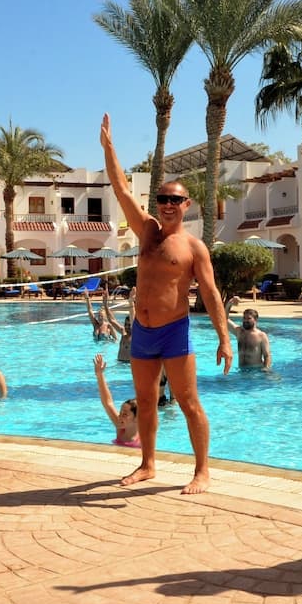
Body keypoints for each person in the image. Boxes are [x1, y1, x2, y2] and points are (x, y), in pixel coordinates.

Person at [101, 113, 232, 495]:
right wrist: (109, 147)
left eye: (175, 200)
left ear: (187, 204)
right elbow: (121, 188)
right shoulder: (146, 231)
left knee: (189, 402)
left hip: (174, 331)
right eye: (162, 199)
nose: (168, 205)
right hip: (142, 331)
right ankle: (147, 464)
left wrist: (224, 339)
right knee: (145, 400)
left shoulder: (194, 247)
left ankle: (202, 471)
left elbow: (210, 293)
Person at [93, 354, 139, 447]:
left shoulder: (144, 437)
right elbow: (108, 403)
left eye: (125, 414)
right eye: (120, 413)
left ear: (136, 418)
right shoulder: (120, 428)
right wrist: (99, 375)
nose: (120, 417)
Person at [224, 296, 272, 370]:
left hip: (255, 371)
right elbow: (224, 320)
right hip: (241, 370)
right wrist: (229, 304)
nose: (245, 320)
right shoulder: (239, 331)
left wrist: (266, 369)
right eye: (244, 318)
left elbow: (267, 355)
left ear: (255, 319)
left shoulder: (261, 336)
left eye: (249, 318)